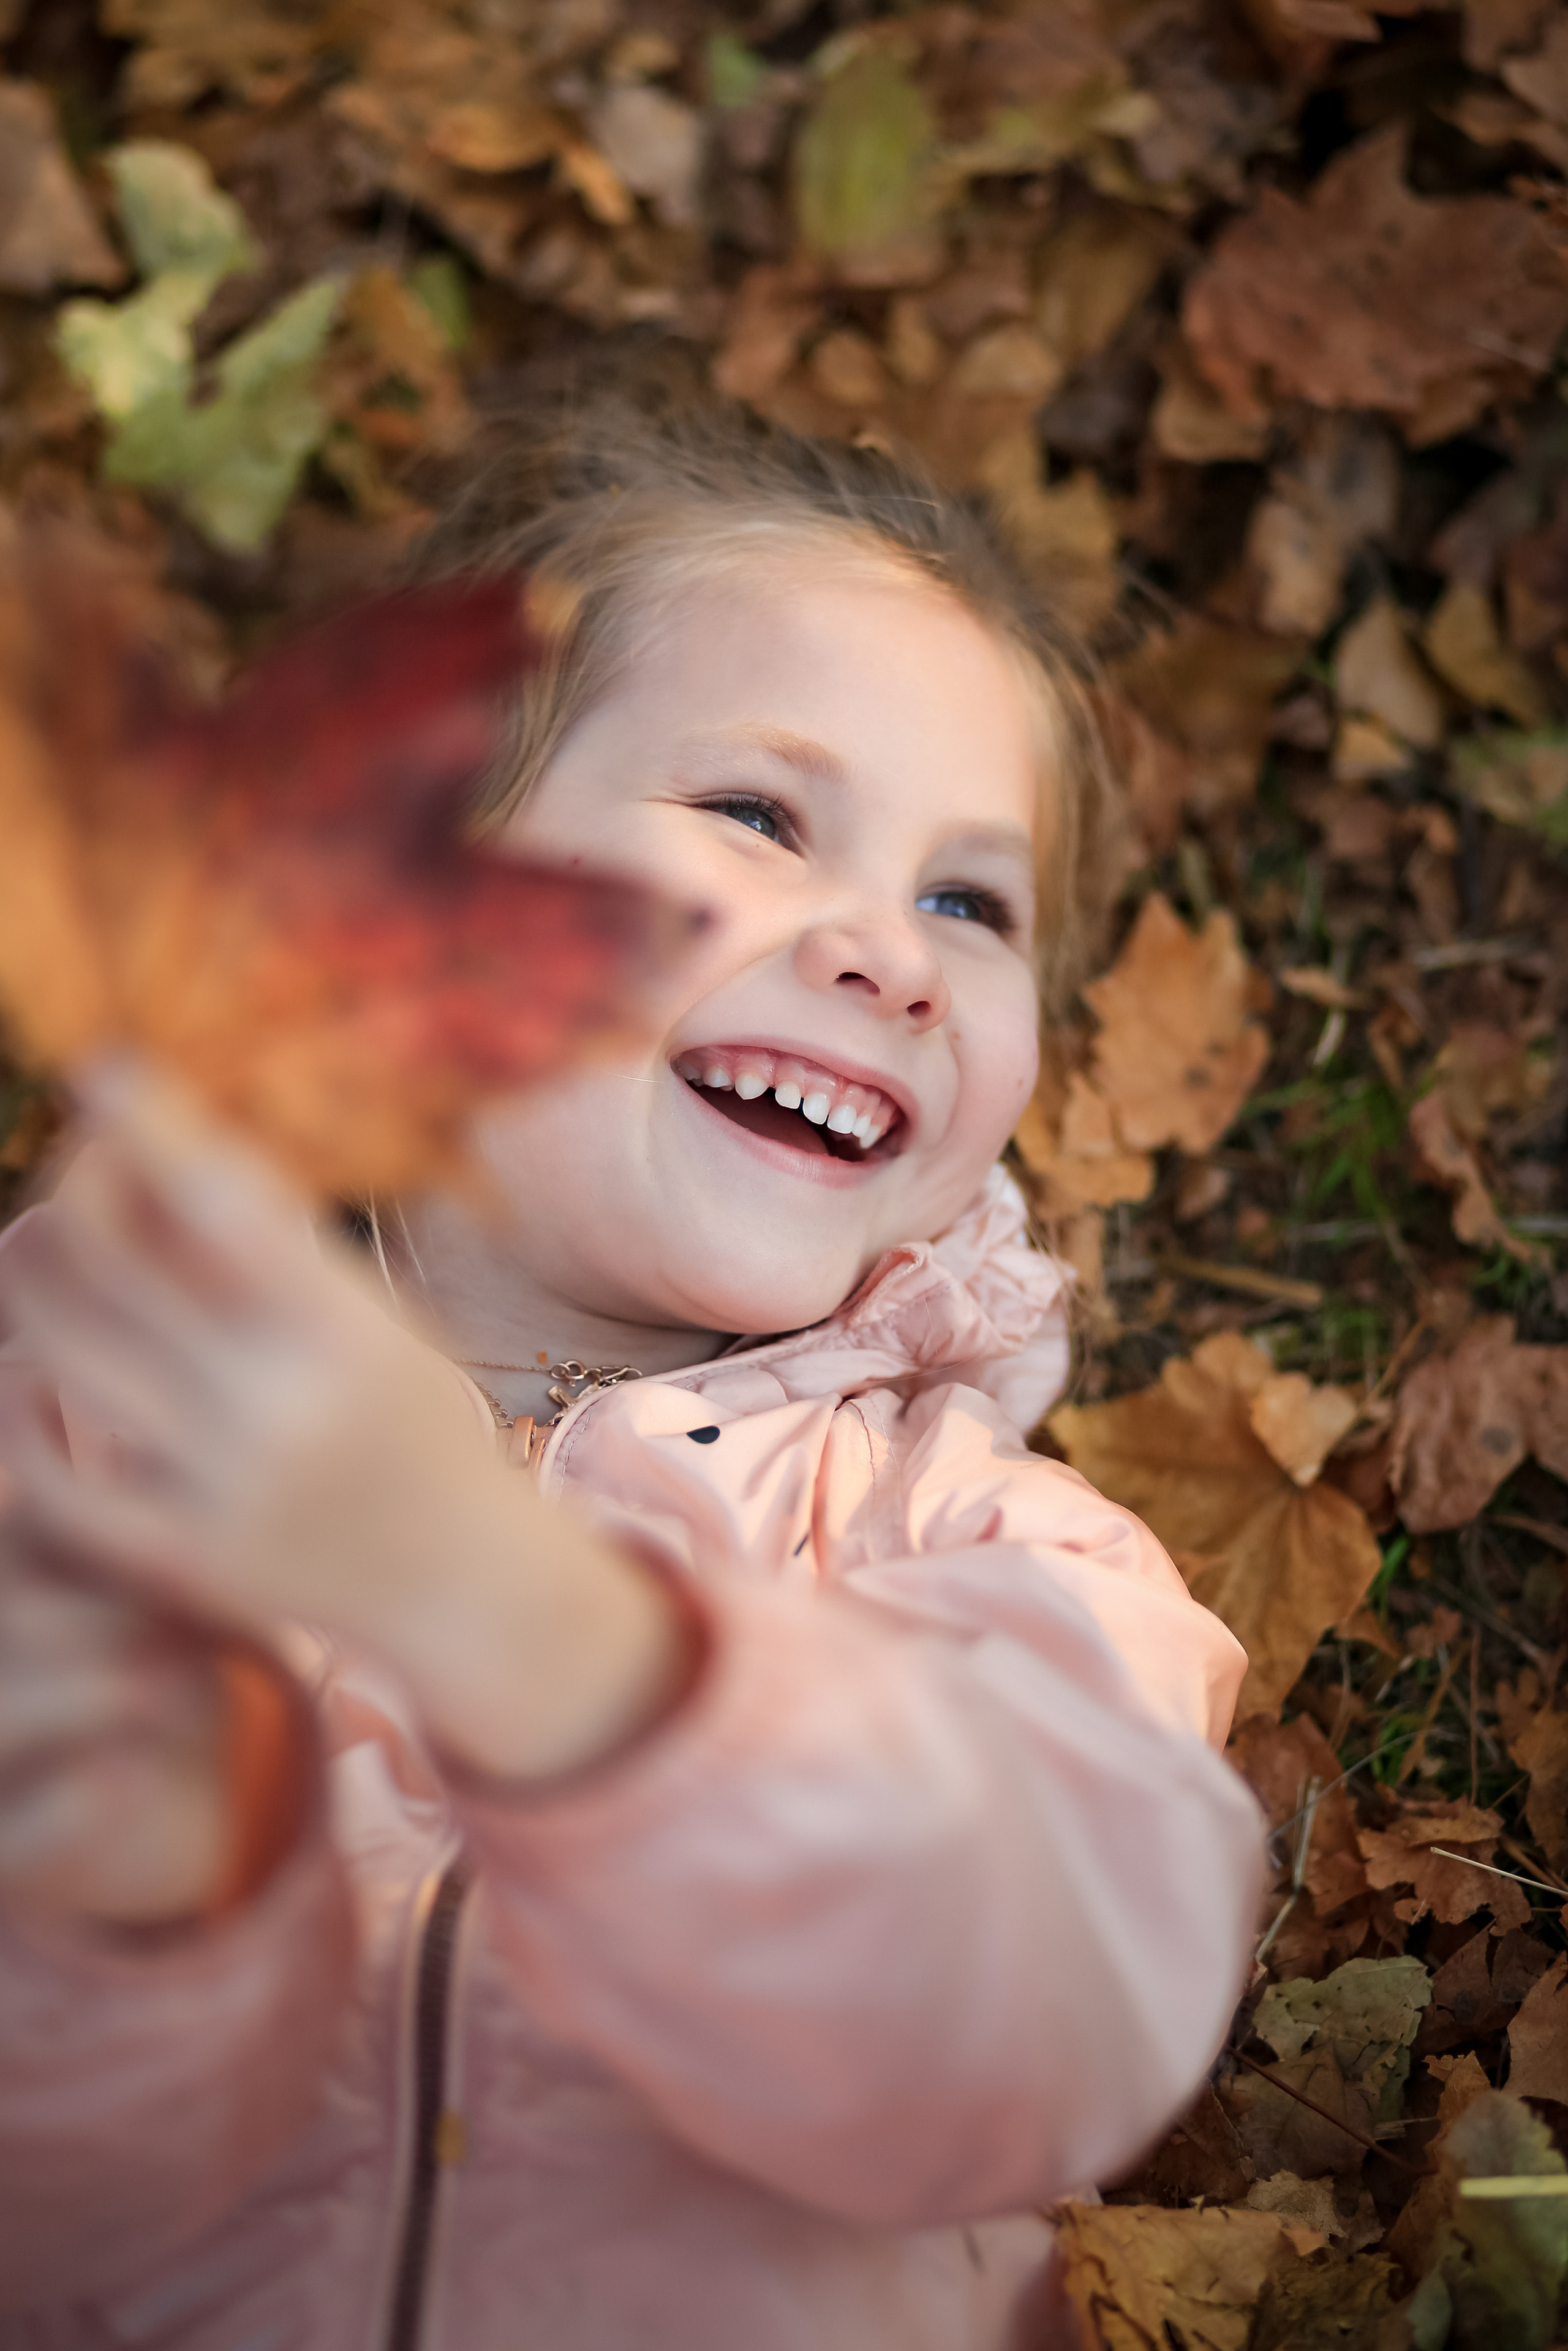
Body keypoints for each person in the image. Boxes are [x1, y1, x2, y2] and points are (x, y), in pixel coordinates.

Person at [0, 401, 1262, 2350]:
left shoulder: (995, 1556)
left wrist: (539, 1641)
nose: (896, 959)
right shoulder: (78, 1415)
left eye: (973, 904)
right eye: (761, 817)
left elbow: (1047, 2013)